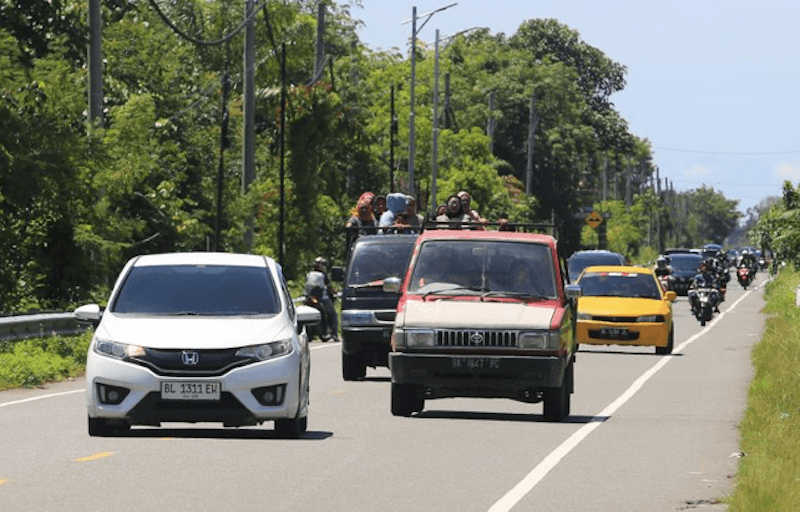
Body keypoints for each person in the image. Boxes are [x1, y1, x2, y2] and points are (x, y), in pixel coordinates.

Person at [304, 257, 338, 342]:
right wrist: (333, 292)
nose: (323, 266)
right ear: (317, 265)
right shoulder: (323, 275)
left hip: (310, 297)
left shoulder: (309, 274)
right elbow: (329, 286)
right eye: (322, 264)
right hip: (321, 297)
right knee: (332, 313)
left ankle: (326, 333)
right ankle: (334, 334)